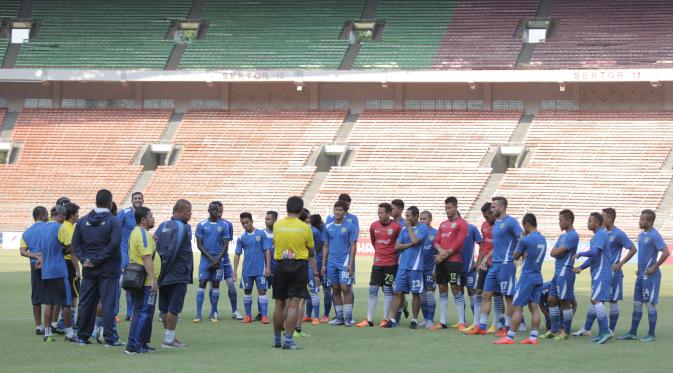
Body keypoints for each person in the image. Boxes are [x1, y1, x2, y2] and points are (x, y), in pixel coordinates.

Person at [73, 189, 122, 346]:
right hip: (108, 269)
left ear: (96, 201)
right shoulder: (113, 221)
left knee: (86, 302)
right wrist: (97, 259)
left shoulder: (82, 221)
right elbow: (114, 244)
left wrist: (85, 259)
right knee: (108, 304)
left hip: (89, 269)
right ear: (110, 202)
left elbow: (75, 245)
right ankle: (110, 338)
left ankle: (82, 336)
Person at [468, 197, 522, 336]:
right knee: (486, 294)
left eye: (493, 207)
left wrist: (518, 253)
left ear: (502, 208)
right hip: (494, 265)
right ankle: (482, 326)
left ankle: (507, 327)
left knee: (507, 297)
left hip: (505, 265)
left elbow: (521, 237)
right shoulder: (497, 223)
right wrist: (486, 257)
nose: (491, 210)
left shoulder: (511, 222)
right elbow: (497, 245)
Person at [618, 209, 670, 342]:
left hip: (650, 278)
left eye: (642, 219)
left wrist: (654, 267)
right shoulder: (642, 235)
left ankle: (651, 334)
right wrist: (639, 269)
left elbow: (665, 252)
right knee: (636, 304)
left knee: (650, 305)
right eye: (640, 219)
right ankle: (632, 332)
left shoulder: (654, 235)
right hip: (641, 275)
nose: (639, 221)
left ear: (650, 221)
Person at [272, 196, 317, 350]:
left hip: (280, 265)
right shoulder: (305, 227)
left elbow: (274, 243)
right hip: (298, 266)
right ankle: (289, 341)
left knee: (279, 304)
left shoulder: (277, 225)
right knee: (293, 305)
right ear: (300, 209)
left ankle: (277, 339)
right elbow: (311, 248)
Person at [494, 213, 545, 345]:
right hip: (538, 275)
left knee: (517, 307)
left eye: (524, 227)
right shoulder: (542, 239)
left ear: (527, 225)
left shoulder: (526, 240)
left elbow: (515, 256)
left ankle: (509, 337)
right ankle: (533, 337)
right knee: (534, 307)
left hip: (527, 277)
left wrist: (520, 251)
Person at [356, 203, 402, 328]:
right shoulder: (374, 226)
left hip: (391, 263)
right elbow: (373, 241)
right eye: (378, 213)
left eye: (382, 213)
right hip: (377, 263)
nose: (379, 215)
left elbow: (399, 243)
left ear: (388, 213)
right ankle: (369, 319)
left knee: (388, 290)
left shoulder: (396, 227)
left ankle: (385, 319)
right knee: (373, 290)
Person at [156, 199, 193, 348]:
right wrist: (165, 269)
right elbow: (174, 250)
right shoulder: (181, 227)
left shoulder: (163, 225)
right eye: (189, 211)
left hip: (163, 274)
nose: (190, 214)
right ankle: (169, 340)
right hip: (176, 273)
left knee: (164, 308)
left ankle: (169, 337)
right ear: (180, 211)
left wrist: (160, 271)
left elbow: (155, 245)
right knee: (173, 308)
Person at [383, 206, 429, 328]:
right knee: (398, 292)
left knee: (415, 294)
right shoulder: (403, 229)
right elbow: (397, 246)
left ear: (416, 216)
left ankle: (414, 320)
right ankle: (392, 320)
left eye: (408, 216)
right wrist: (409, 244)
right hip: (403, 266)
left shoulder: (423, 228)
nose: (406, 218)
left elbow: (416, 240)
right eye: (406, 215)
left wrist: (409, 229)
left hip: (416, 267)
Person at [573, 212, 613, 344]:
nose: (587, 223)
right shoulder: (597, 236)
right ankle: (601, 333)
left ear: (596, 223)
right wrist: (581, 267)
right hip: (598, 273)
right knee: (594, 300)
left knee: (596, 300)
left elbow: (594, 253)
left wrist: (580, 253)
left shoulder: (601, 234)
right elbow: (594, 258)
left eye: (590, 221)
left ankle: (605, 331)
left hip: (602, 273)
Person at [39, 205, 77, 342]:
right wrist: (66, 250)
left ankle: (47, 333)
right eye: (64, 216)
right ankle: (70, 333)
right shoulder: (59, 228)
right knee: (66, 303)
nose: (64, 219)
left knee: (49, 303)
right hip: (59, 271)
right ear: (60, 215)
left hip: (46, 271)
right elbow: (69, 247)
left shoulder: (43, 229)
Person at [125, 207, 160, 355]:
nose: (153, 219)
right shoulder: (143, 234)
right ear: (143, 220)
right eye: (151, 216)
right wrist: (153, 280)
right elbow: (146, 258)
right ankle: (135, 345)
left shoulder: (137, 232)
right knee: (142, 312)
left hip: (142, 280)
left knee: (145, 312)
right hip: (145, 282)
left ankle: (142, 342)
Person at [432, 197, 468, 330]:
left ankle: (461, 321)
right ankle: (442, 322)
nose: (447, 210)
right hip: (441, 261)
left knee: (455, 288)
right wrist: (441, 251)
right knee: (442, 289)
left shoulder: (462, 224)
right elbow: (435, 241)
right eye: (446, 208)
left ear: (456, 207)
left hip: (454, 261)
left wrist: (445, 254)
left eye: (449, 208)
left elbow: (458, 243)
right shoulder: (443, 224)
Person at [193, 202, 233, 323]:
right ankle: (198, 314)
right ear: (209, 210)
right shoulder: (201, 225)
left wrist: (218, 258)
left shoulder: (224, 225)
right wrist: (211, 258)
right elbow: (199, 244)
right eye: (213, 210)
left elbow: (226, 245)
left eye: (217, 210)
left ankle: (213, 313)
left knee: (216, 285)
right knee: (202, 283)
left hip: (218, 260)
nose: (216, 212)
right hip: (206, 260)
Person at [322, 200, 358, 326]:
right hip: (331, 262)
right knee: (335, 288)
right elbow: (325, 246)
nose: (337, 212)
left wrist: (350, 264)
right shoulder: (328, 227)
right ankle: (339, 317)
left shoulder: (350, 226)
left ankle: (348, 318)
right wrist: (324, 264)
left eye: (340, 210)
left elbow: (353, 245)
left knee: (345, 288)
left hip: (344, 261)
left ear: (345, 212)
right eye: (335, 209)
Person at [546, 209, 579, 340]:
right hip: (557, 272)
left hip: (565, 272)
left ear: (569, 221)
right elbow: (552, 252)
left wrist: (557, 252)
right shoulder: (562, 236)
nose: (559, 223)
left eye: (560, 220)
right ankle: (554, 330)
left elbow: (558, 251)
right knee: (551, 300)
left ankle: (566, 331)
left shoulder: (573, 235)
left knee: (564, 302)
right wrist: (556, 252)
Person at [602, 208, 636, 333]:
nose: (601, 219)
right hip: (603, 272)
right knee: (598, 299)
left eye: (603, 217)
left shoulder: (619, 234)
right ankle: (591, 328)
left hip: (614, 273)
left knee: (613, 300)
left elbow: (633, 249)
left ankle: (611, 329)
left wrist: (620, 263)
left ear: (610, 219)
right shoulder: (603, 233)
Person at [233, 212, 271, 324]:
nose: (245, 225)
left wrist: (268, 267)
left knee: (262, 291)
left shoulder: (261, 234)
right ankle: (248, 316)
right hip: (247, 271)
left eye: (247, 222)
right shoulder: (241, 237)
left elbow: (267, 250)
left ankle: (264, 316)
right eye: (243, 223)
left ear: (251, 221)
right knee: (247, 291)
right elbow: (237, 254)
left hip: (260, 270)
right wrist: (235, 271)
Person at [20, 206, 49, 335]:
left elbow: (22, 251)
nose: (48, 216)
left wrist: (34, 255)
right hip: (49, 264)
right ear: (42, 215)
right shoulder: (49, 228)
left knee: (36, 295)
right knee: (52, 295)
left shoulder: (26, 232)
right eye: (46, 214)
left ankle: (38, 326)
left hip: (35, 265)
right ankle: (51, 325)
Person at [115, 192, 144, 321]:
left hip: (137, 254)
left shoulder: (144, 213)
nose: (137, 200)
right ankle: (114, 313)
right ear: (132, 200)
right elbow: (114, 226)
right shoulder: (125, 212)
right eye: (135, 198)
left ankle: (130, 313)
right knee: (120, 283)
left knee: (132, 283)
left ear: (143, 200)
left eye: (139, 198)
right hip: (123, 251)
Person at [214, 201, 242, 320]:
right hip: (214, 260)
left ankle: (235, 310)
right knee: (214, 286)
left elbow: (227, 242)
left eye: (221, 211)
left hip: (224, 259)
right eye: (218, 211)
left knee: (231, 285)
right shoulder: (208, 223)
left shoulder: (228, 224)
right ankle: (214, 311)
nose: (220, 213)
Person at [58, 203, 81, 329]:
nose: (78, 215)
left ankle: (66, 321)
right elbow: (72, 251)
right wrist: (77, 270)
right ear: (72, 215)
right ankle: (67, 322)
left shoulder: (68, 227)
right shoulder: (68, 228)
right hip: (68, 264)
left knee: (72, 294)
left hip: (66, 264)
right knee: (73, 295)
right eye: (77, 213)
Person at [459, 221, 482, 328]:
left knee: (471, 291)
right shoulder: (453, 228)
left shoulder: (472, 228)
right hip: (456, 266)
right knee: (458, 292)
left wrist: (477, 262)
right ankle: (461, 321)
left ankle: (476, 321)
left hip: (469, 267)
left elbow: (481, 243)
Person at [303, 209, 322, 328]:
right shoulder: (298, 230)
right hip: (300, 265)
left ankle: (316, 317)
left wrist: (311, 258)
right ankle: (308, 315)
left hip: (310, 265)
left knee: (313, 290)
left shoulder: (314, 231)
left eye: (309, 217)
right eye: (307, 217)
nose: (309, 219)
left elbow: (318, 247)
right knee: (305, 293)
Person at [418, 210, 437, 329]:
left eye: (425, 218)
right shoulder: (418, 232)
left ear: (430, 220)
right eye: (421, 218)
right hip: (419, 269)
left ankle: (431, 319)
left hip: (431, 268)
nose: (422, 221)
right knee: (421, 295)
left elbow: (439, 251)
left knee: (430, 293)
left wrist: (436, 269)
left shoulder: (435, 233)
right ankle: (425, 318)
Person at [260, 210, 277, 321]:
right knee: (262, 290)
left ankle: (278, 313)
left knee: (278, 292)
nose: (266, 221)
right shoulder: (261, 233)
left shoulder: (279, 233)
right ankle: (260, 313)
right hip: (264, 267)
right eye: (265, 219)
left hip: (277, 267)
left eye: (268, 219)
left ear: (274, 220)